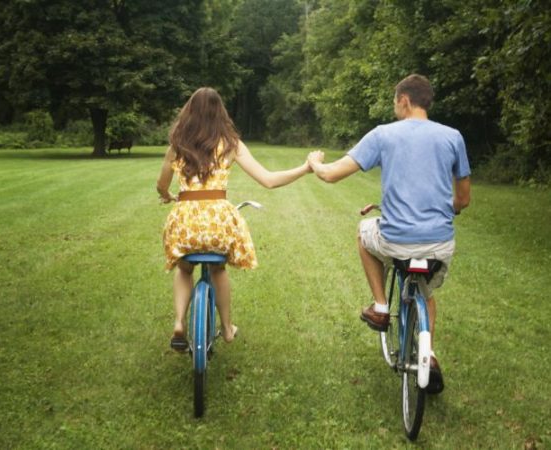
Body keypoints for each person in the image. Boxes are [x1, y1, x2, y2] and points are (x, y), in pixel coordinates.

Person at [307, 74, 471, 394]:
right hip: (439, 244)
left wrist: (315, 162)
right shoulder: (453, 137)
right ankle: (430, 355)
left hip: (396, 241)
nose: (394, 108)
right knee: (426, 293)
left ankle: (381, 306)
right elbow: (463, 200)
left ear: (404, 100)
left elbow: (330, 175)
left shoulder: (383, 135)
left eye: (395, 102)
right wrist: (443, 209)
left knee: (363, 232)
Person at [156, 87, 311, 351]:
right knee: (218, 269)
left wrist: (168, 195)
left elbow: (161, 185)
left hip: (185, 224)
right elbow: (269, 180)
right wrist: (306, 167)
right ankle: (227, 329)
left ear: (189, 112)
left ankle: (179, 322)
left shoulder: (177, 146)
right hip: (219, 225)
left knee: (184, 269)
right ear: (220, 113)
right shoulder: (231, 144)